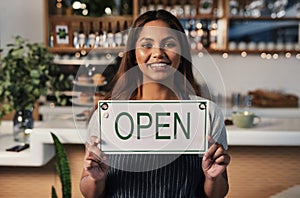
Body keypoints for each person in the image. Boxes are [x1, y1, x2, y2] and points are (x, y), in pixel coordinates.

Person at [80, 10, 230, 198]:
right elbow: (89, 191)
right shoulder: (108, 114)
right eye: (146, 45)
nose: (158, 53)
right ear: (134, 54)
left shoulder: (207, 114)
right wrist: (96, 178)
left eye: (169, 44)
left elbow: (218, 193)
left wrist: (212, 178)